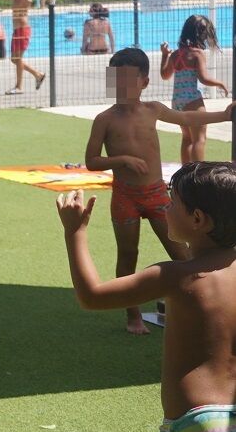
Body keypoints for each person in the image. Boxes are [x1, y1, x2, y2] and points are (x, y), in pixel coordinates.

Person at [54, 163, 236, 432]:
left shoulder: (176, 276)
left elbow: (91, 296)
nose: (166, 208)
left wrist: (75, 233)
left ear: (198, 219)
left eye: (173, 202)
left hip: (192, 422)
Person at [83, 48, 232, 335]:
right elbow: (91, 161)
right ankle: (133, 315)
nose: (122, 86)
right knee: (128, 254)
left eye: (128, 80)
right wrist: (122, 160)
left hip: (156, 194)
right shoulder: (105, 119)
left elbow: (187, 119)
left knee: (182, 252)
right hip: (125, 196)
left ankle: (197, 304)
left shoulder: (153, 110)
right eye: (117, 79)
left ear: (144, 82)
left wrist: (224, 115)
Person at [161, 14, 230, 163]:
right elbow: (203, 78)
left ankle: (185, 173)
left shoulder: (176, 54)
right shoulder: (197, 54)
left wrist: (164, 56)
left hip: (177, 102)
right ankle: (198, 173)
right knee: (199, 138)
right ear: (201, 34)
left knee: (187, 138)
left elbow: (165, 75)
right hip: (192, 100)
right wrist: (220, 83)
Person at [1, 0, 45, 94]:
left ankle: (19, 87)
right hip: (16, 31)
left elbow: (30, 0)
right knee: (14, 59)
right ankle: (37, 74)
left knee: (18, 58)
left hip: (23, 30)